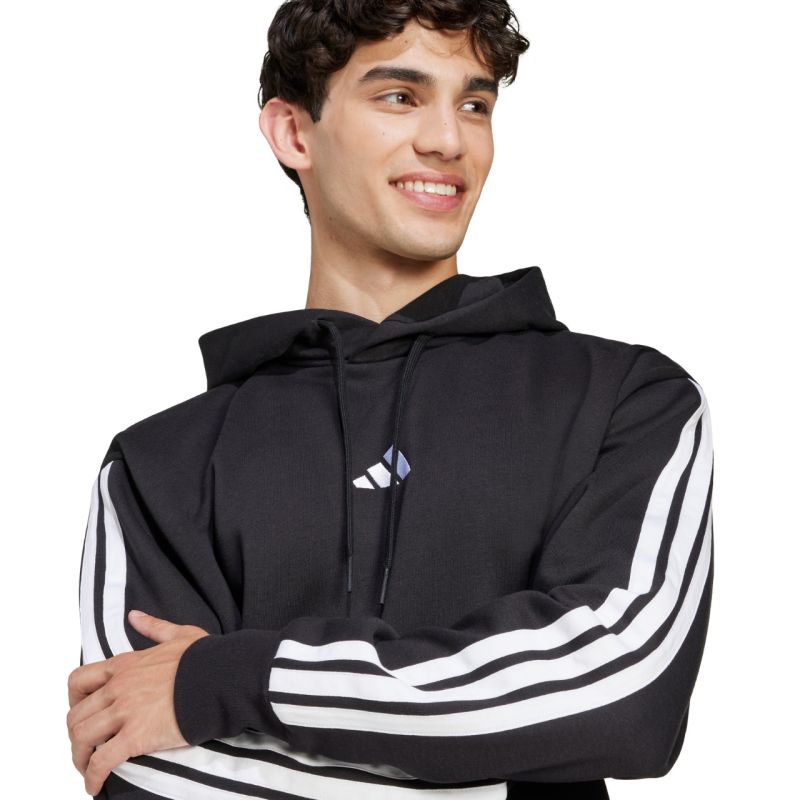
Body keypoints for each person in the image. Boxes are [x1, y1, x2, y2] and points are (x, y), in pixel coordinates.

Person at [66, 1, 715, 798]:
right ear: (294, 133)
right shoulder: (159, 465)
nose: (449, 140)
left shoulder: (625, 401)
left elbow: (622, 691)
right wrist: (497, 757)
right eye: (400, 96)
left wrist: (231, 681)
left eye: (473, 104)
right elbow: (146, 763)